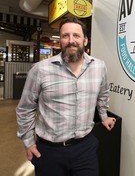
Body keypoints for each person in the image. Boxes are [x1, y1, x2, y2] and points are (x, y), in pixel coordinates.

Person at [16, 17, 116, 176]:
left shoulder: (99, 66)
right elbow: (25, 109)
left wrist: (103, 116)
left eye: (76, 36)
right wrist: (28, 143)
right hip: (49, 151)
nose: (71, 41)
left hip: (86, 148)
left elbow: (103, 93)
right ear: (60, 41)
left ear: (85, 41)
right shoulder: (40, 70)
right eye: (65, 36)